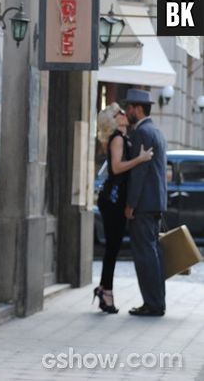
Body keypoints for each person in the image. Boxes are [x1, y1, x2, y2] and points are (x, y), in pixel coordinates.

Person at [94, 102, 153, 314]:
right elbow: (117, 168)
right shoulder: (117, 139)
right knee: (112, 248)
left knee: (113, 247)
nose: (124, 114)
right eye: (120, 113)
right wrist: (140, 158)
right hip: (113, 199)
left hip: (114, 198)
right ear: (114, 120)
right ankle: (106, 292)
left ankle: (103, 289)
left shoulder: (123, 137)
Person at [123, 89, 168, 317]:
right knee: (153, 254)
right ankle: (156, 301)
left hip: (144, 205)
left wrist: (131, 204)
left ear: (138, 109)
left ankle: (152, 304)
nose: (127, 111)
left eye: (129, 107)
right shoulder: (156, 131)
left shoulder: (142, 133)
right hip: (155, 202)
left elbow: (139, 173)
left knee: (145, 255)